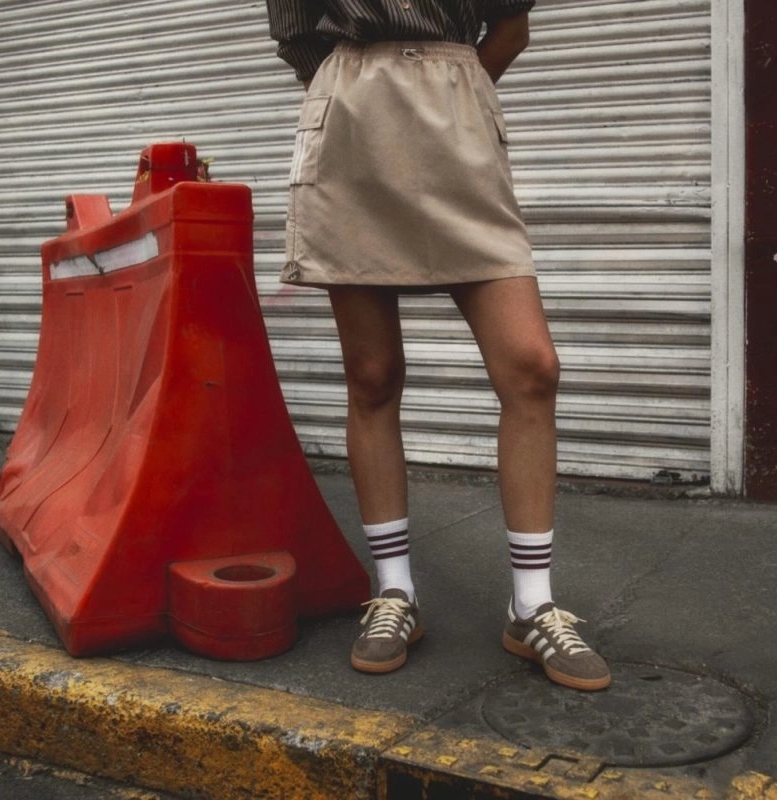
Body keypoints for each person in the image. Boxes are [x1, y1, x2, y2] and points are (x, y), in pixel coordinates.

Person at [265, 0, 610, 692]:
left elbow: (510, 29)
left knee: (531, 367)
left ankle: (531, 605)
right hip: (353, 131)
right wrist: (368, 92)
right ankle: (394, 593)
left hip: (458, 125)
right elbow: (298, 38)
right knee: (371, 374)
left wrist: (445, 93)